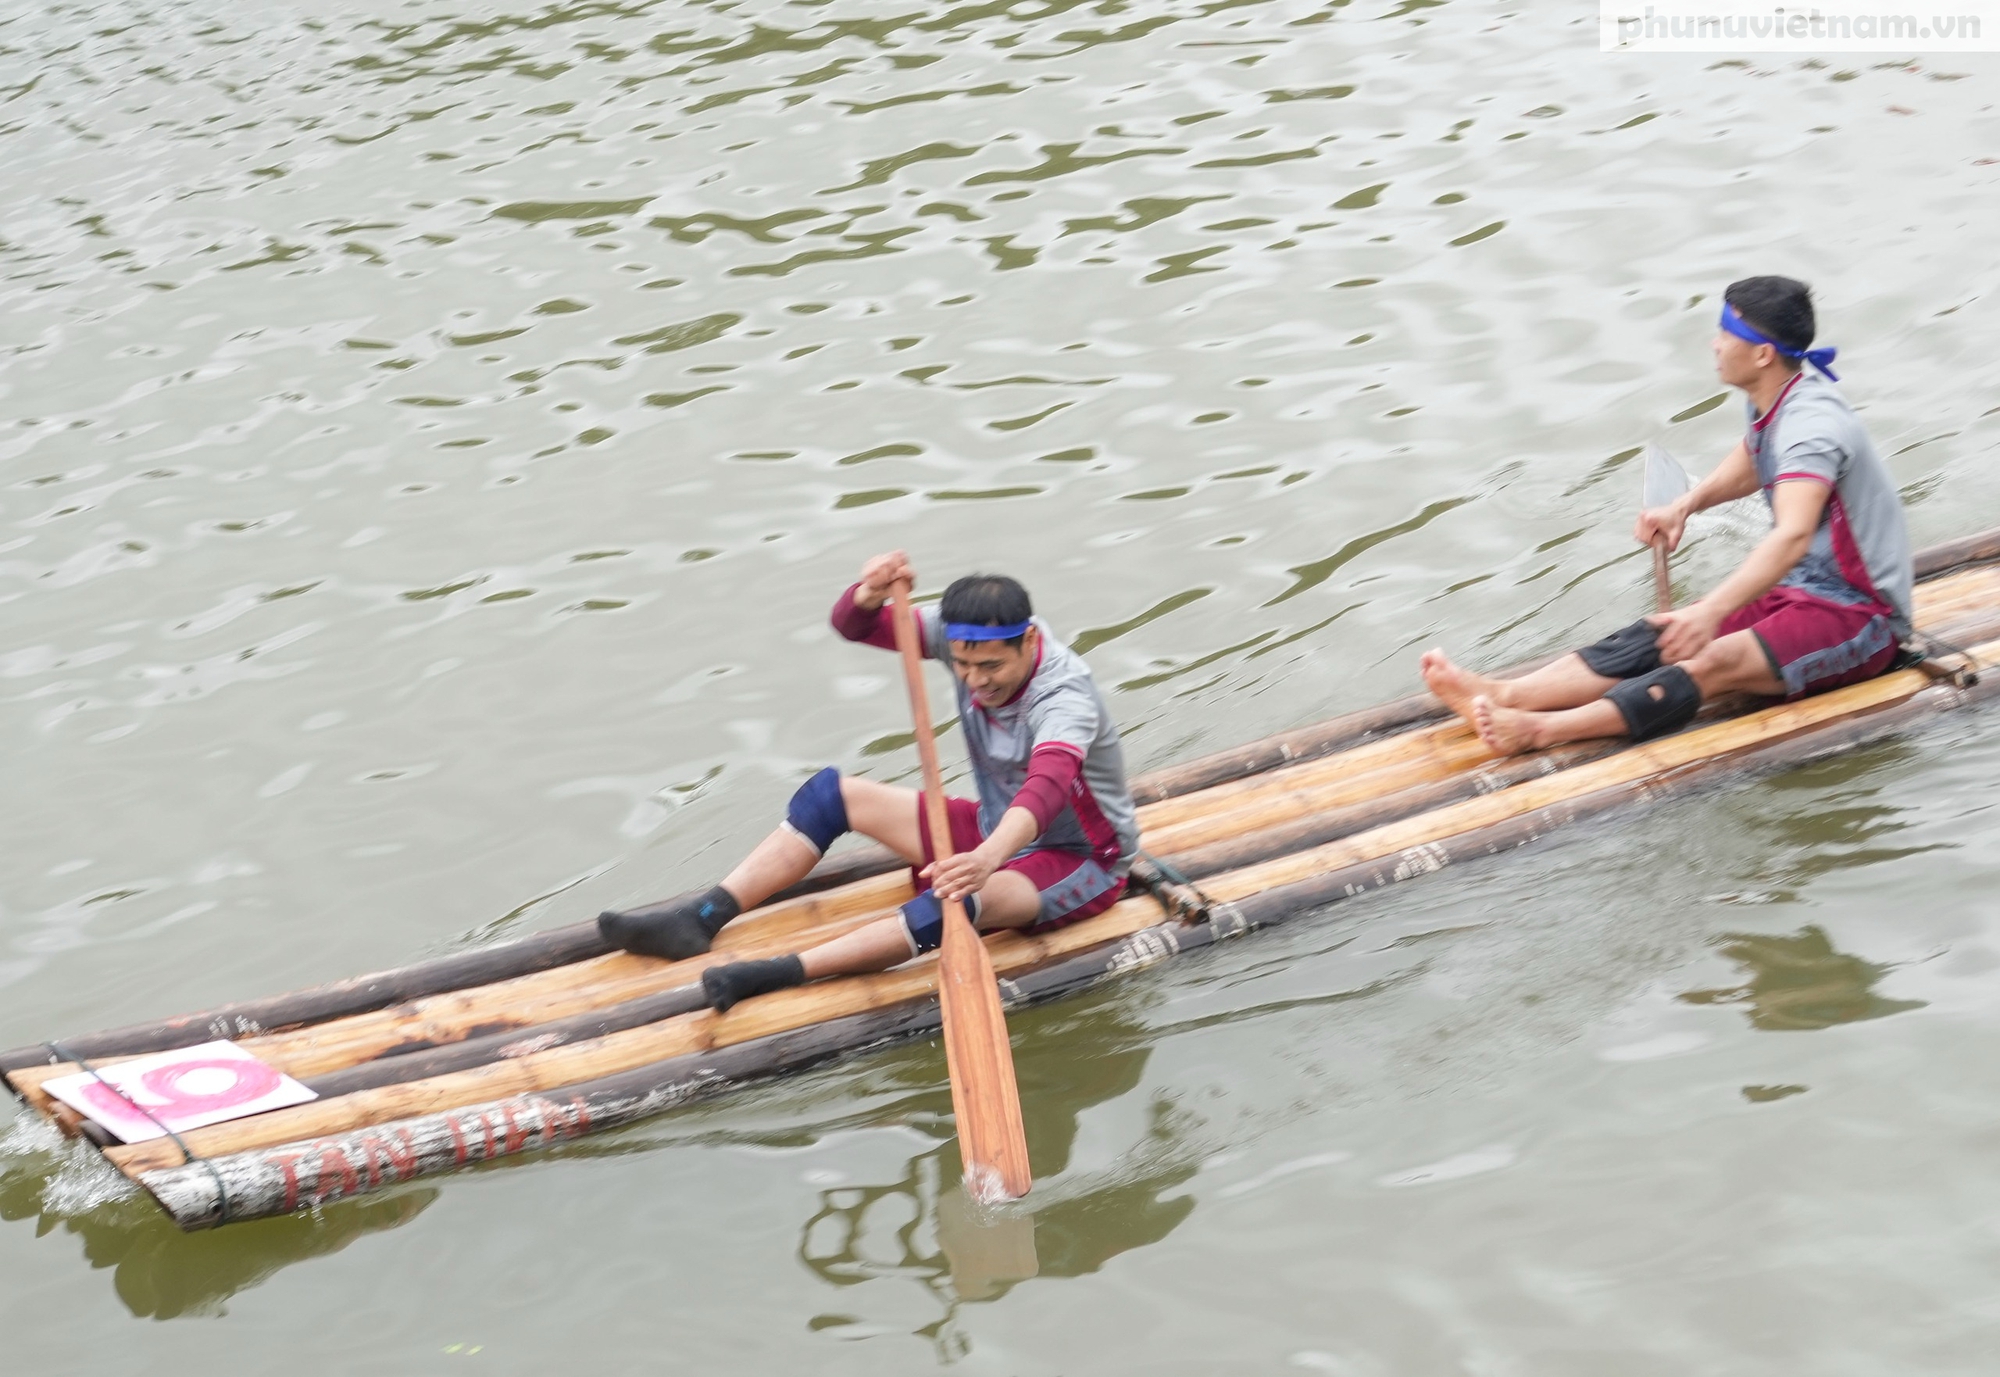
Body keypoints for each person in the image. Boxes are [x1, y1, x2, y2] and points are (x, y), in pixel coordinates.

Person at [598, 552, 1140, 1011]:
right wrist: (869, 592)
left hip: (1080, 856)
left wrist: (986, 859)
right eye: (962, 666)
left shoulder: (1064, 697)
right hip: (995, 826)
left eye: (991, 668)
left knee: (955, 901)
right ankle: (700, 918)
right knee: (830, 795)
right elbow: (854, 625)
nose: (975, 681)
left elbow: (1045, 790)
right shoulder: (965, 639)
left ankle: (779, 973)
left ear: (1026, 641)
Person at [1421, 275, 1912, 756]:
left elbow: (1792, 536)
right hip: (1800, 592)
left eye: (1726, 332)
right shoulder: (1776, 400)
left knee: (1710, 656)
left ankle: (1539, 730)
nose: (1714, 344)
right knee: (1666, 633)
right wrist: (1685, 505)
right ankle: (1504, 694)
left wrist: (1712, 610)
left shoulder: (1811, 427)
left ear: (1762, 354)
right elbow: (1755, 455)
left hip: (1862, 617)